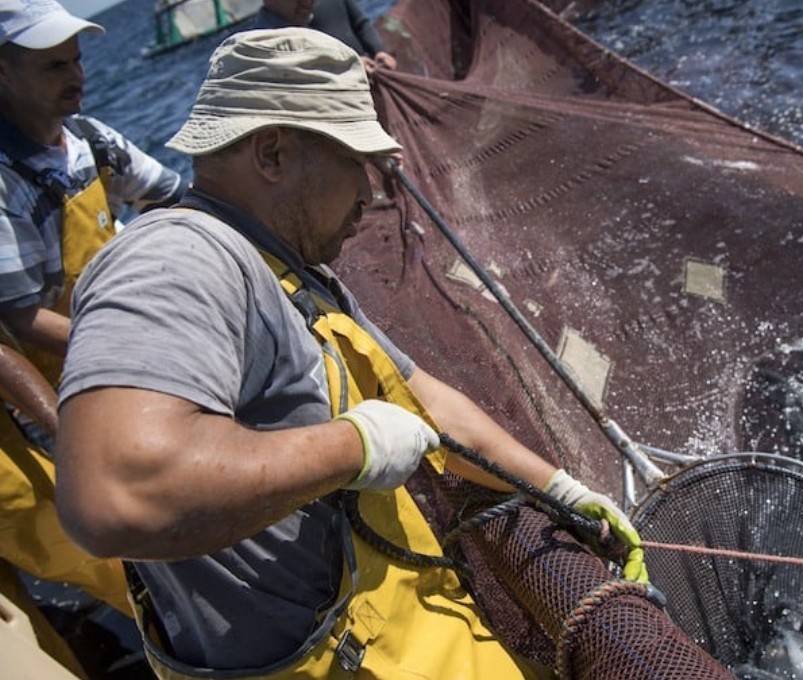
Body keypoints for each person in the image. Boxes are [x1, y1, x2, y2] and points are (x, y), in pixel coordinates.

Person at [55, 27, 645, 679]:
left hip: (402, 626)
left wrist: (561, 492)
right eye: (355, 162)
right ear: (274, 153)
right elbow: (115, 495)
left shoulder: (287, 264)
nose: (371, 196)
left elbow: (417, 395)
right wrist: (352, 447)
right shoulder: (177, 259)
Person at [0, 0, 183, 671]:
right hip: (42, 407)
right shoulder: (3, 183)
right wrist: (135, 350)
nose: (74, 74)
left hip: (114, 364)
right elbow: (20, 322)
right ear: (1, 73)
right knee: (129, 565)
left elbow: (171, 197)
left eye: (76, 58)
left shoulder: (91, 141)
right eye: (53, 64)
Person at [254, 0, 397, 72]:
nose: (307, 4)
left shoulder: (304, 12)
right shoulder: (262, 44)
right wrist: (350, 67)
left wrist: (379, 50)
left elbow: (360, 23)